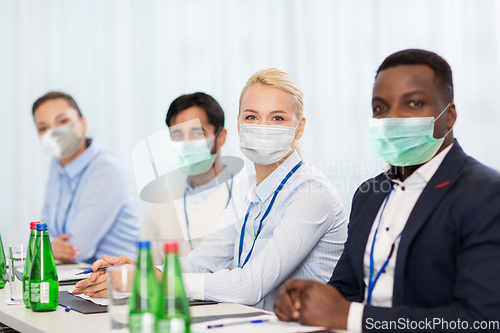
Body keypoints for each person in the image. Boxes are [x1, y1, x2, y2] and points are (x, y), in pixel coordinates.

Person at [73, 68, 348, 311]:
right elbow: (200, 262)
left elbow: (252, 285)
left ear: (299, 128)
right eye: (252, 117)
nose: (262, 127)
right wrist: (142, 272)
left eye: (276, 118)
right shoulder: (247, 190)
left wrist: (156, 281)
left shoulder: (311, 193)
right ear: (239, 126)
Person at [273, 49, 500, 332]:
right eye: (381, 108)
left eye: (414, 103)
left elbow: (483, 319)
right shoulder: (369, 194)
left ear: (449, 116)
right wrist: (305, 302)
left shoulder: (486, 194)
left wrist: (351, 317)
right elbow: (346, 289)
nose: (393, 118)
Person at [33, 91, 140, 263]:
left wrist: (46, 246)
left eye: (62, 121)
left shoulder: (106, 168)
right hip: (75, 276)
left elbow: (77, 249)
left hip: (116, 281)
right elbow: (42, 232)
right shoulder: (56, 166)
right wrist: (49, 245)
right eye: (43, 128)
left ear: (82, 124)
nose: (53, 132)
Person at [141, 92, 236, 264]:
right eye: (177, 135)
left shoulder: (245, 196)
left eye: (197, 134)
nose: (186, 143)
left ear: (220, 137)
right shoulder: (162, 200)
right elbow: (148, 266)